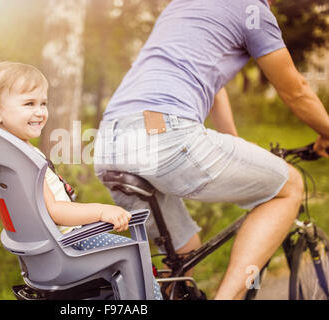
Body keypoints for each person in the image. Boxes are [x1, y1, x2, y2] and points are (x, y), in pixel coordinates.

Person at [93, 0, 329, 299]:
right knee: (290, 186)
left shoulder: (183, 5)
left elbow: (213, 84)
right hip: (164, 134)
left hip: (110, 144)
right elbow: (296, 90)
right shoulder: (252, 10)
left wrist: (236, 145)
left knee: (184, 252)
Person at [0, 61, 162, 300]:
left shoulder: (6, 154)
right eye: (29, 103)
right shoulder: (24, 160)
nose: (40, 111)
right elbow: (55, 211)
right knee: (139, 264)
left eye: (43, 103)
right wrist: (101, 211)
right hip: (71, 244)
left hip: (45, 254)